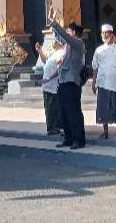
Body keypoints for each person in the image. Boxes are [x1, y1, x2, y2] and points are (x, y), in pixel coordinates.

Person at [48, 10, 87, 150]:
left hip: (72, 82)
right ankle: (68, 138)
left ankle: (78, 140)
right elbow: (59, 36)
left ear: (75, 33)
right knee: (64, 112)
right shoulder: (68, 46)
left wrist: (55, 23)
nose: (67, 33)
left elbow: (64, 36)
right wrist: (52, 24)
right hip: (63, 81)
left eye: (69, 31)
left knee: (74, 112)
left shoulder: (78, 44)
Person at [92, 24, 116, 139]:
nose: (105, 35)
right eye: (103, 33)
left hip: (115, 82)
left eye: (107, 33)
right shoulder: (98, 50)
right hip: (102, 82)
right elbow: (95, 67)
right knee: (103, 107)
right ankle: (105, 132)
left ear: (112, 34)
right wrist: (94, 82)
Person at [35, 40, 64, 136]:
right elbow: (45, 60)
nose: (52, 42)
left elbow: (59, 70)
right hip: (47, 85)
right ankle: (51, 127)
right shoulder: (53, 52)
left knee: (53, 107)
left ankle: (55, 127)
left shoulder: (62, 52)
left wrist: (48, 79)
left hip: (53, 84)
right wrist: (39, 50)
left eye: (55, 41)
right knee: (49, 107)